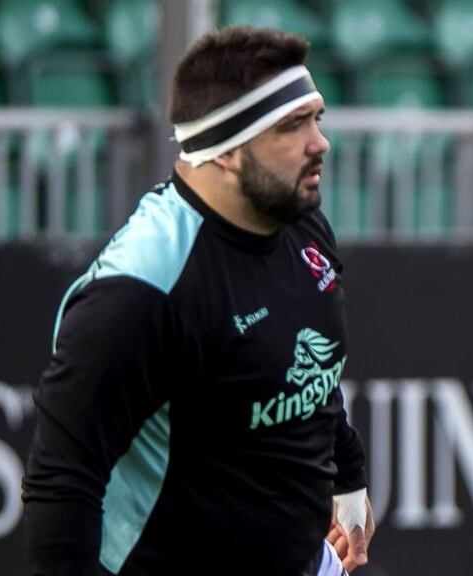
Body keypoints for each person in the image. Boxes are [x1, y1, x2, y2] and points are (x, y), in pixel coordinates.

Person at [22, 26, 374, 576]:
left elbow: (309, 372)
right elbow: (63, 481)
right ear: (226, 152)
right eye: (291, 126)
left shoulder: (301, 222)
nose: (319, 142)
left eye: (316, 118)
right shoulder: (142, 287)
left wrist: (348, 473)